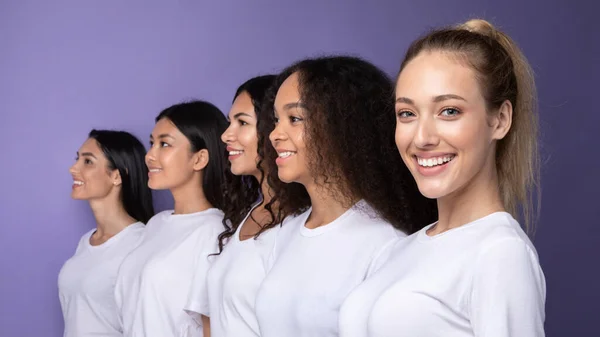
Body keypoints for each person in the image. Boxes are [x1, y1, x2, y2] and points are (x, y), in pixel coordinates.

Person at [339, 19, 546, 337]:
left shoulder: (499, 252)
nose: (421, 138)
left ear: (500, 120)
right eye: (407, 113)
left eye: (449, 111)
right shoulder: (398, 251)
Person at [254, 56, 437, 337]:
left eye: (295, 119)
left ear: (342, 127)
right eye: (276, 120)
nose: (275, 134)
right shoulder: (287, 232)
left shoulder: (386, 244)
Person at [190, 75, 310, 337]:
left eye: (242, 122)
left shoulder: (301, 225)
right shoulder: (246, 218)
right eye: (230, 122)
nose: (225, 135)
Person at [115, 101, 235, 337]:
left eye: (164, 144)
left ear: (199, 159)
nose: (149, 155)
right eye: (152, 143)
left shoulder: (215, 232)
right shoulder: (156, 224)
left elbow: (212, 327)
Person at [58, 129, 154, 337]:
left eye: (88, 161)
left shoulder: (140, 242)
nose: (73, 168)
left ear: (116, 176)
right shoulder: (86, 242)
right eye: (77, 159)